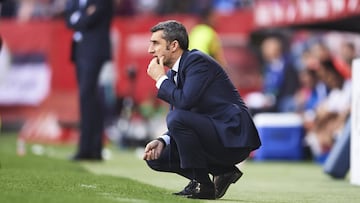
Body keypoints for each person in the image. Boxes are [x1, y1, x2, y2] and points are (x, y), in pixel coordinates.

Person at [143, 20, 261, 200]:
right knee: (157, 157)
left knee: (177, 118)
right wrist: (163, 140)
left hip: (232, 134)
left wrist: (159, 79)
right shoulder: (173, 74)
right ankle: (222, 172)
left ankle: (203, 184)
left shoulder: (196, 61)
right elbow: (184, 112)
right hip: (212, 132)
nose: (150, 50)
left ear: (174, 45)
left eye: (156, 43)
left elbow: (184, 104)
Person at [64, 0, 113, 161]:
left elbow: (88, 19)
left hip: (94, 51)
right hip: (80, 50)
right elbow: (69, 19)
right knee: (89, 98)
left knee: (87, 95)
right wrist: (81, 17)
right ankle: (94, 148)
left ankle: (87, 148)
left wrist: (79, 18)